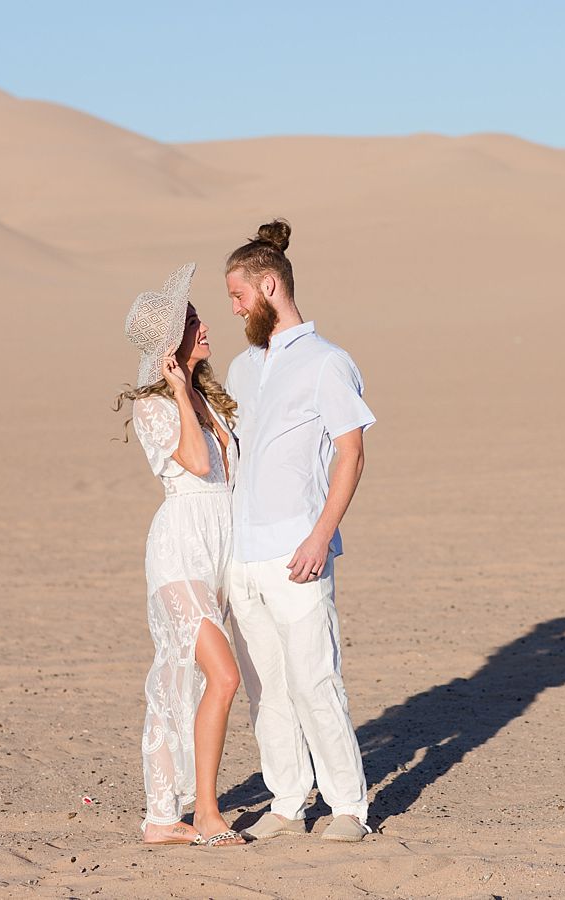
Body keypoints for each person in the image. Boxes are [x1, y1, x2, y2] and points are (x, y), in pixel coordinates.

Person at [223, 221, 376, 842]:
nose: (234, 309)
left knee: (314, 678)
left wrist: (321, 535)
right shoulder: (240, 368)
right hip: (243, 553)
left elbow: (351, 453)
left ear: (269, 286)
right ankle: (286, 803)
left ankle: (347, 808)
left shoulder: (327, 362)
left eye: (238, 296)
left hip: (297, 550)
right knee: (267, 689)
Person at [117, 263, 246, 847]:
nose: (205, 324)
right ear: (173, 346)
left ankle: (162, 818)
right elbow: (195, 464)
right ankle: (206, 814)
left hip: (220, 548)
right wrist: (175, 389)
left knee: (185, 682)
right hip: (178, 551)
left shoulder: (209, 399)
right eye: (193, 321)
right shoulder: (156, 407)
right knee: (222, 677)